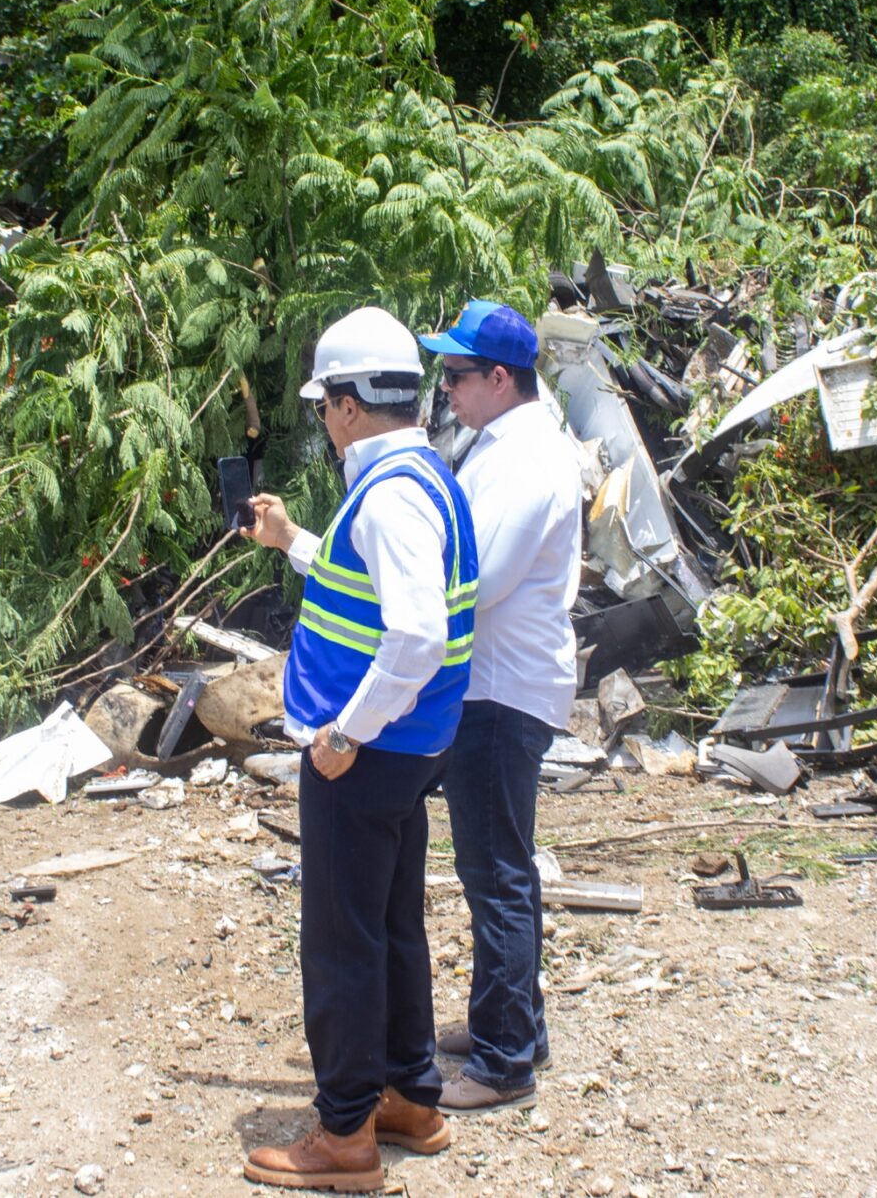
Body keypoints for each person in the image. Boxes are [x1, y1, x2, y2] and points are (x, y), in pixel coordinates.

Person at [239, 305, 479, 1193]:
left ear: (345, 405)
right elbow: (367, 584)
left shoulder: (387, 496)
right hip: (409, 749)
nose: (324, 421)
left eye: (323, 406)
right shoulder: (421, 476)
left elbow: (415, 636)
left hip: (364, 753)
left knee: (342, 939)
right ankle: (410, 1097)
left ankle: (344, 1133)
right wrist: (292, 540)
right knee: (390, 922)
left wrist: (345, 733)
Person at [414, 300, 583, 1114]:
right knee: (496, 868)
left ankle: (505, 1059)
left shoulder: (527, 459)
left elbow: (478, 581)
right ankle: (516, 1024)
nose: (446, 387)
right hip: (496, 684)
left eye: (456, 374)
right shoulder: (502, 444)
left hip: (501, 689)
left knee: (495, 873)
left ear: (500, 378)